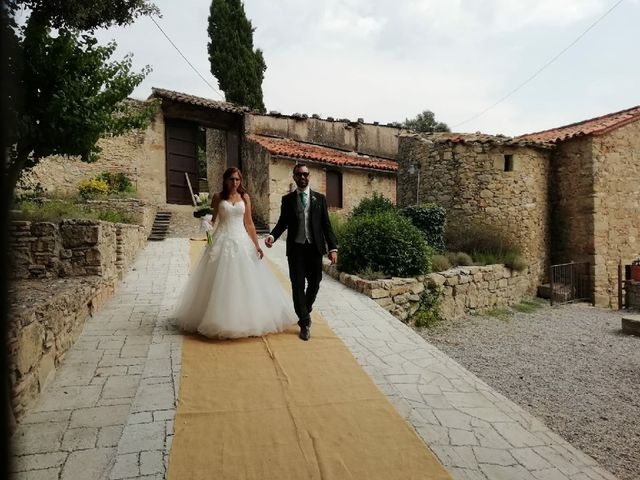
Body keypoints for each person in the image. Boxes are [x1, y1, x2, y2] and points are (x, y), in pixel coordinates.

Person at [176, 167, 297, 339]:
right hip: (221, 240)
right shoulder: (218, 197)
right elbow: (213, 220)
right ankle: (217, 318)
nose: (235, 182)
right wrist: (205, 221)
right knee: (218, 280)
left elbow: (249, 224)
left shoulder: (245, 197)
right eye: (232, 179)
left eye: (238, 179)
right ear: (225, 180)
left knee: (246, 280)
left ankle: (246, 318)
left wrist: (257, 246)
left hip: (241, 241)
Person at [265, 163, 338, 341]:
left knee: (315, 283)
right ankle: (304, 323)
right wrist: (272, 237)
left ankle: (304, 309)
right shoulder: (287, 200)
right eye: (299, 174)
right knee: (297, 285)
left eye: (305, 174)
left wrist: (333, 248)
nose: (302, 177)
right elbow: (283, 222)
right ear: (294, 177)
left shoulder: (319, 199)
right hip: (296, 249)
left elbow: (326, 226)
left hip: (314, 249)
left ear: (309, 176)